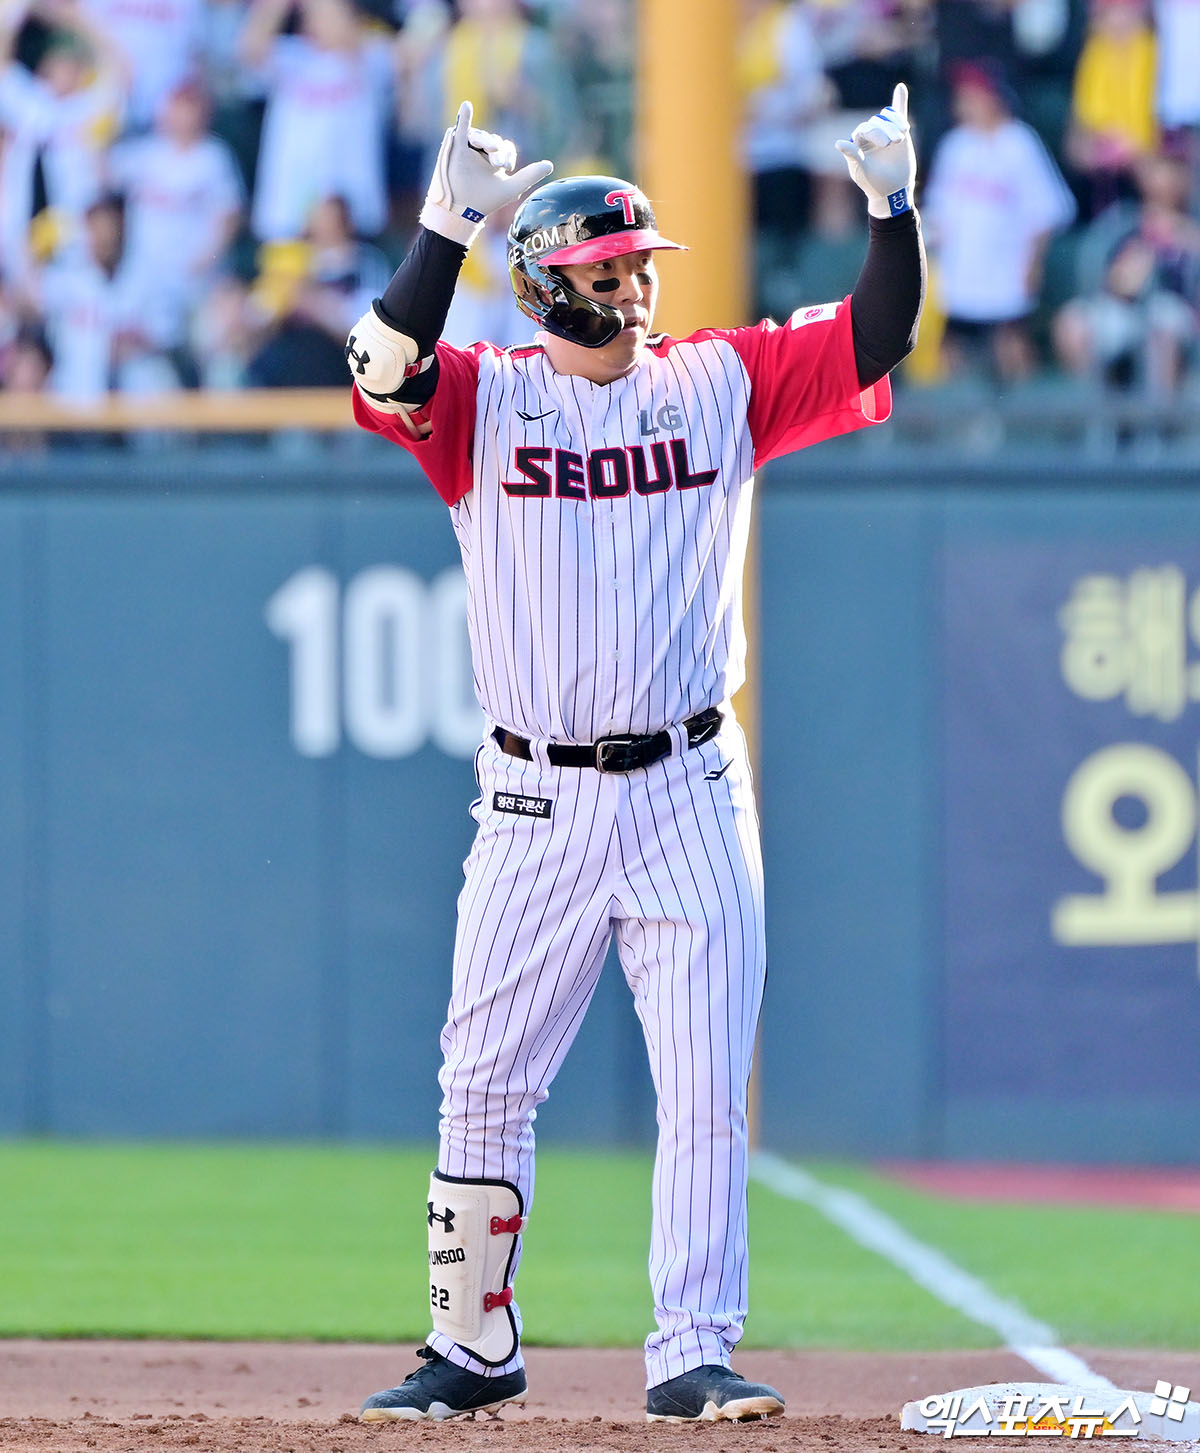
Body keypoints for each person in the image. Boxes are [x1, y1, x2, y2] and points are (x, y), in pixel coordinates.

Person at [343, 89, 924, 1424]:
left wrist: (892, 213)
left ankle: (694, 1346)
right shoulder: (485, 399)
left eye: (642, 266)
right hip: (534, 793)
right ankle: (470, 1345)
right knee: (483, 1079)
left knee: (708, 1081)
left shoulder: (717, 381)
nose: (638, 288)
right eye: (611, 269)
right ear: (550, 284)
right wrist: (445, 230)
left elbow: (876, 334)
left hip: (688, 789)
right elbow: (380, 364)